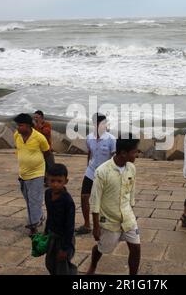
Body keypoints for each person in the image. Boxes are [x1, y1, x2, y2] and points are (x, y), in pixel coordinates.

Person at [87, 135, 140, 275]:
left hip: (128, 218)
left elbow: (131, 192)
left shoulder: (132, 168)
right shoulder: (102, 171)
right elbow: (95, 200)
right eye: (134, 152)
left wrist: (131, 211)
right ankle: (93, 265)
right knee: (103, 248)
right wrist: (96, 226)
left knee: (136, 248)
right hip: (109, 219)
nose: (137, 154)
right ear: (123, 153)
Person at [75, 113, 116, 235]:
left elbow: (114, 157)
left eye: (104, 123)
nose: (103, 125)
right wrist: (88, 166)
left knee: (103, 200)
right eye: (100, 123)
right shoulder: (89, 138)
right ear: (94, 124)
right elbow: (90, 152)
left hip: (105, 174)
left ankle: (105, 224)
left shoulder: (111, 139)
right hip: (91, 171)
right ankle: (87, 224)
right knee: (84, 197)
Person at [14, 113, 51, 236]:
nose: (18, 128)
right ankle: (39, 216)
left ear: (29, 126)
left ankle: (33, 226)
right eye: (17, 125)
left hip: (37, 173)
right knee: (28, 199)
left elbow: (47, 153)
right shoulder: (16, 136)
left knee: (34, 200)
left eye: (21, 125)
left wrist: (47, 172)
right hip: (23, 173)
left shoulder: (39, 137)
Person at [44, 163, 77, 275]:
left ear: (65, 181)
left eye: (59, 181)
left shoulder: (67, 201)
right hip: (52, 235)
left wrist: (64, 248)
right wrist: (45, 233)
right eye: (52, 181)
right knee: (50, 262)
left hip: (64, 238)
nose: (55, 184)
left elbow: (70, 226)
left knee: (62, 265)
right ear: (47, 180)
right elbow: (49, 215)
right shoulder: (48, 194)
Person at [33, 110, 54, 184]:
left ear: (41, 117)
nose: (35, 119)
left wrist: (39, 124)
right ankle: (44, 180)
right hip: (38, 150)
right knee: (41, 166)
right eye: (34, 117)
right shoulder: (34, 126)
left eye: (37, 117)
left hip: (47, 149)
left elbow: (46, 133)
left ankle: (51, 180)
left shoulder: (47, 124)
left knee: (50, 166)